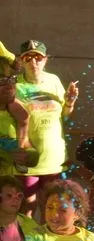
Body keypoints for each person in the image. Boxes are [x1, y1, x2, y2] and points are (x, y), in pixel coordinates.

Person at [15, 40, 78, 213]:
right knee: (26, 208)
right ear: (21, 61)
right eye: (28, 58)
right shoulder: (15, 86)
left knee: (52, 208)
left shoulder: (54, 80)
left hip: (54, 159)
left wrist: (70, 102)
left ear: (45, 60)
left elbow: (64, 114)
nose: (33, 62)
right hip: (29, 159)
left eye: (38, 57)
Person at [0, 56, 32, 177]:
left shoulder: (18, 112)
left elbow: (29, 154)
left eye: (12, 79)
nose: (10, 86)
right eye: (2, 80)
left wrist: (26, 156)